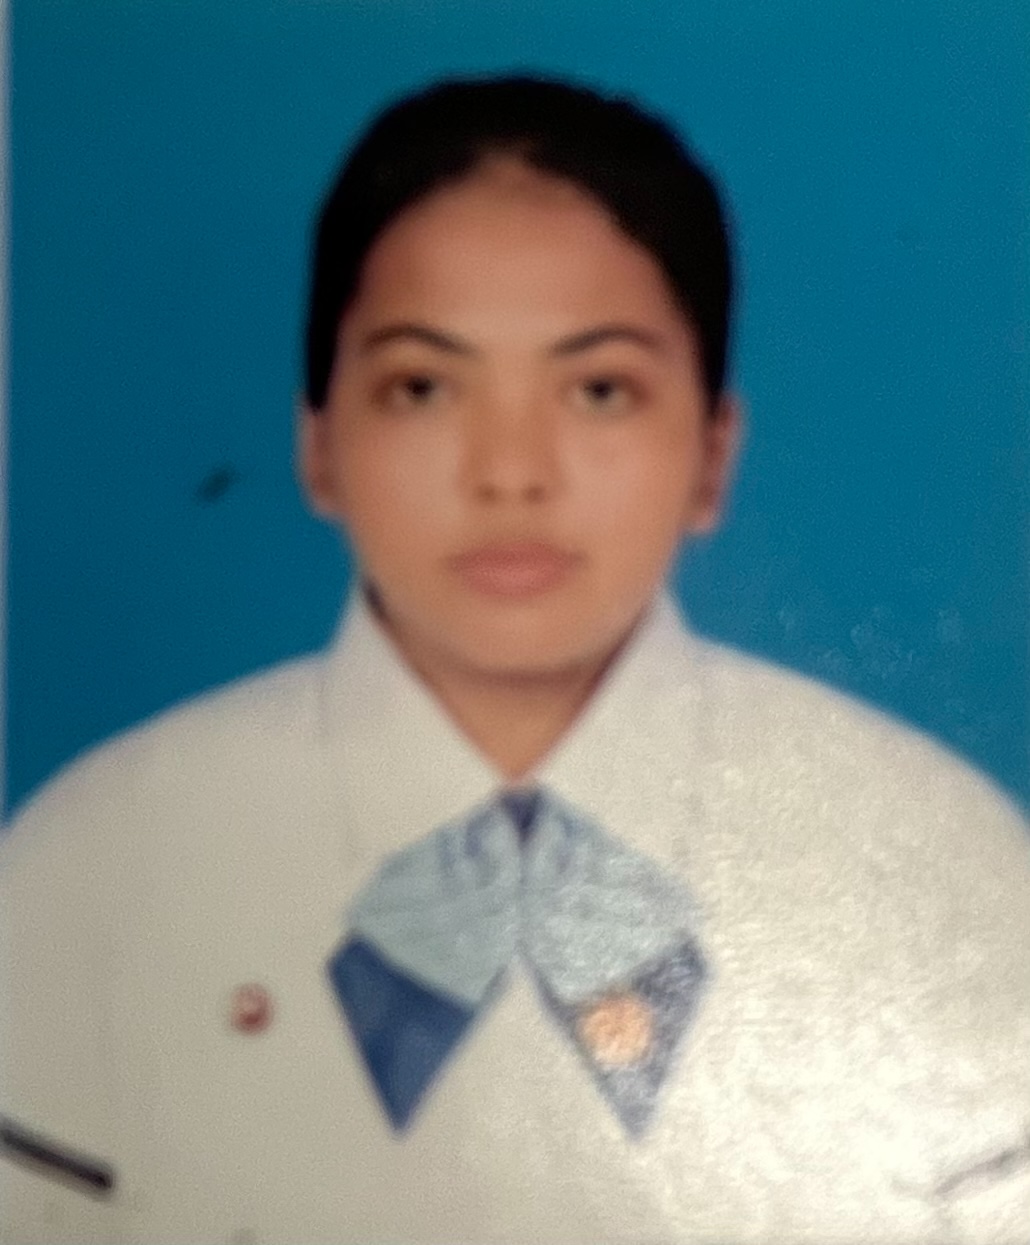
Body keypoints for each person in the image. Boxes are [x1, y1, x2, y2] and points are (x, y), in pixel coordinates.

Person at [2, 74, 1028, 1245]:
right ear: (317, 443)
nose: (510, 472)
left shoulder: (947, 867)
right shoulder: (88, 872)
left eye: (599, 390)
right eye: (423, 387)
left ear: (711, 455)